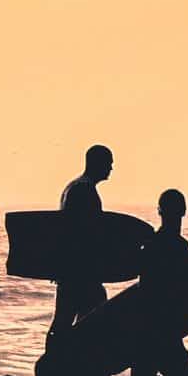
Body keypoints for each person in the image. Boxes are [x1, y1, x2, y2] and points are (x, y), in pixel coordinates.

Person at [51, 145, 115, 343]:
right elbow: (87, 234)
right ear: (97, 163)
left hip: (71, 271)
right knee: (94, 321)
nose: (111, 168)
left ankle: (57, 366)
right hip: (81, 272)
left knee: (66, 320)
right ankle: (61, 366)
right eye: (108, 162)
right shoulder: (84, 190)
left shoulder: (73, 187)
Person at [133, 189, 188, 376]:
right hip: (167, 330)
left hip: (144, 330)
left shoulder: (149, 246)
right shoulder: (181, 249)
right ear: (184, 211)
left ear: (159, 211)